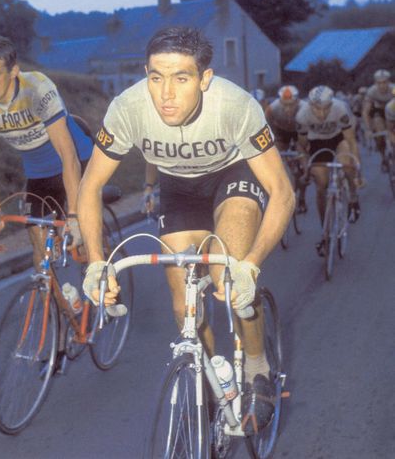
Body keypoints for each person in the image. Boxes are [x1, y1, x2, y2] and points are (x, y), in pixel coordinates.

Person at [77, 26, 295, 434]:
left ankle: (256, 365)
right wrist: (94, 263)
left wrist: (250, 264)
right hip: (178, 188)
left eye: (181, 78)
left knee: (227, 278)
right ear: (145, 74)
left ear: (204, 78)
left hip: (232, 175)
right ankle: (211, 382)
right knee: (183, 306)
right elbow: (90, 186)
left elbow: (282, 191)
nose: (166, 94)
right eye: (156, 77)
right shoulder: (128, 108)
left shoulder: (234, 105)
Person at [0, 35, 93, 269]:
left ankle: (108, 295)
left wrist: (74, 215)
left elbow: (67, 155)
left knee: (84, 242)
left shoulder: (37, 89)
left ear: (13, 72)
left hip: (76, 159)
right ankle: (54, 304)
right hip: (39, 172)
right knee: (40, 249)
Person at [295, 85, 361, 256]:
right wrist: (305, 168)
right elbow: (301, 146)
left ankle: (353, 197)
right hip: (317, 144)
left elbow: (350, 140)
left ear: (332, 104)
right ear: (310, 105)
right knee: (321, 185)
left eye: (326, 108)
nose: (322, 113)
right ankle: (325, 231)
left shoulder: (339, 108)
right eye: (317, 108)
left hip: (338, 140)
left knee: (346, 163)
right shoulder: (302, 115)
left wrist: (357, 166)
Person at [265, 85, 308, 213]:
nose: (288, 108)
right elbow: (265, 127)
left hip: (299, 132)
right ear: (280, 101)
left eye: (291, 104)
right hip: (281, 133)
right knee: (277, 154)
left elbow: (308, 133)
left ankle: (302, 196)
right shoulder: (272, 108)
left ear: (297, 100)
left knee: (303, 158)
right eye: (285, 104)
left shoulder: (305, 107)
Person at [362, 69, 395, 171]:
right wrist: (368, 129)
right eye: (379, 83)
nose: (382, 85)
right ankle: (383, 157)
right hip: (379, 113)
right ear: (375, 83)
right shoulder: (372, 91)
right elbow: (365, 112)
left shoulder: (394, 89)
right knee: (379, 132)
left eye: (384, 82)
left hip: (392, 112)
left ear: (389, 81)